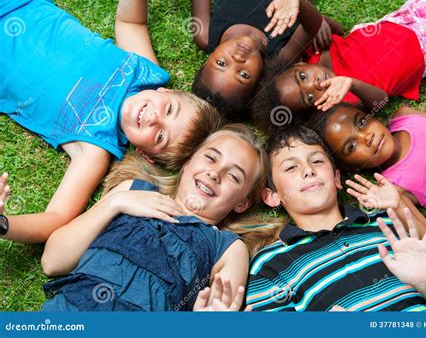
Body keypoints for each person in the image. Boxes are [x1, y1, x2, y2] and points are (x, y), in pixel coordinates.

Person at [0, 0, 221, 243]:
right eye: (169, 110)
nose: (154, 118)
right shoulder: (145, 72)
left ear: (145, 153)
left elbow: (57, 217)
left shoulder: (96, 145)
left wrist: (3, 223)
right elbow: (130, 22)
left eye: (160, 137)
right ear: (166, 92)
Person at [27, 124, 267, 311]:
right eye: (211, 158)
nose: (215, 173)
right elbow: (52, 261)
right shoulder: (133, 191)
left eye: (234, 176)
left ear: (242, 203)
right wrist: (114, 203)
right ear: (187, 162)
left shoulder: (227, 248)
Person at [245, 126, 426, 311]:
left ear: (337, 178)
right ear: (272, 196)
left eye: (317, 161)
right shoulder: (270, 264)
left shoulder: (386, 224)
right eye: (291, 167)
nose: (309, 170)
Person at [251, 0, 426, 133]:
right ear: (315, 109)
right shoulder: (341, 100)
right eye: (309, 97)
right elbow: (381, 100)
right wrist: (352, 83)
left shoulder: (314, 52)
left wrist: (304, 7)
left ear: (296, 66)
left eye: (302, 77)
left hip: (404, 20)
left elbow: (324, 26)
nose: (314, 84)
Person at [191, 0, 328, 122]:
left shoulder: (204, 35)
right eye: (243, 75)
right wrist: (296, 0)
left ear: (207, 60)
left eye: (221, 63)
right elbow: (311, 27)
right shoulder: (277, 59)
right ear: (259, 81)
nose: (238, 57)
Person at [312, 104, 426, 208]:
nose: (367, 137)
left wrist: (353, 84)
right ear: (349, 166)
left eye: (361, 122)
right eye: (352, 146)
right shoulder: (394, 187)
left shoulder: (405, 116)